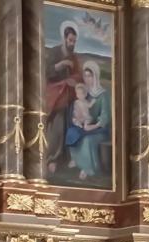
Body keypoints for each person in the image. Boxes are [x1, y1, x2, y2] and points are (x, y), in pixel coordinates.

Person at [45, 21, 82, 174]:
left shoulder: (74, 57)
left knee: (67, 128)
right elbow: (46, 71)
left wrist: (74, 80)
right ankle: (51, 159)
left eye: (74, 41)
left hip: (68, 97)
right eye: (70, 40)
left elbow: (78, 74)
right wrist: (60, 65)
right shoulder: (54, 52)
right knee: (56, 128)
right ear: (64, 38)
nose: (72, 43)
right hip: (54, 94)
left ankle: (62, 159)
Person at [68, 60, 111, 181]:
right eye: (85, 76)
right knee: (72, 133)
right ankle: (77, 160)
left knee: (87, 140)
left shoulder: (102, 95)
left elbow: (105, 117)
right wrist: (76, 120)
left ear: (95, 76)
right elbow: (77, 109)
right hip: (84, 125)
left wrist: (94, 126)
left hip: (99, 129)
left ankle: (87, 168)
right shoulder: (83, 92)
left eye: (90, 76)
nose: (87, 79)